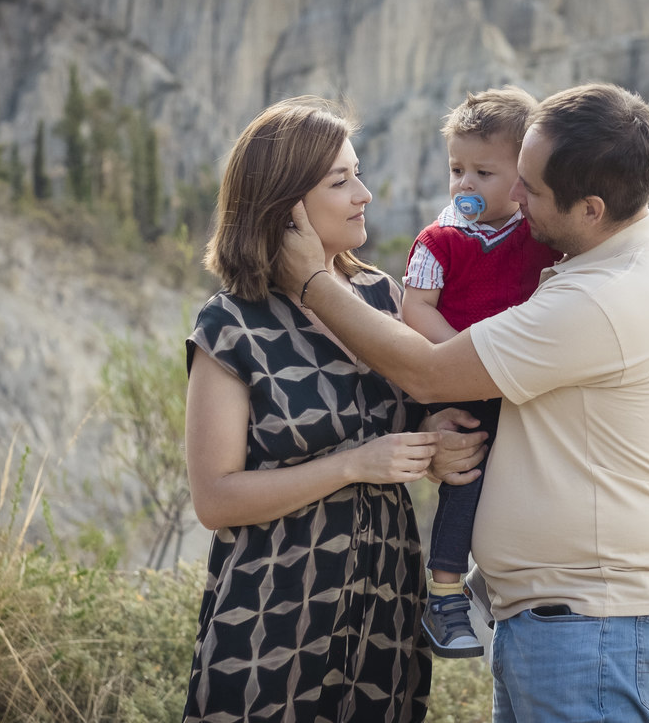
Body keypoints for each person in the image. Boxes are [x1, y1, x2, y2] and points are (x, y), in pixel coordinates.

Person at [279, 82, 649, 723]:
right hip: (563, 624)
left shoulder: (596, 299)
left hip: (587, 631)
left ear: (590, 208)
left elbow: (429, 373)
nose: (514, 198)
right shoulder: (609, 262)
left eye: (529, 187)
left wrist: (311, 280)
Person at [182, 96, 486, 723]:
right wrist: (353, 464)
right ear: (284, 204)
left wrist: (432, 441)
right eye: (340, 181)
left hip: (386, 611)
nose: (365, 194)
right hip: (271, 616)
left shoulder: (381, 296)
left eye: (359, 173)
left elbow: (404, 424)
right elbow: (215, 498)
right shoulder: (233, 321)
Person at [402, 86, 560, 659]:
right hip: (457, 379)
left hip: (515, 380)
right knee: (464, 481)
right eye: (456, 169)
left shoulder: (537, 235)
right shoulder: (440, 241)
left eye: (482, 172)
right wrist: (466, 355)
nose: (464, 183)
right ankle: (444, 598)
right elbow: (414, 309)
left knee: (525, 477)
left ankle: (492, 580)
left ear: (522, 178)